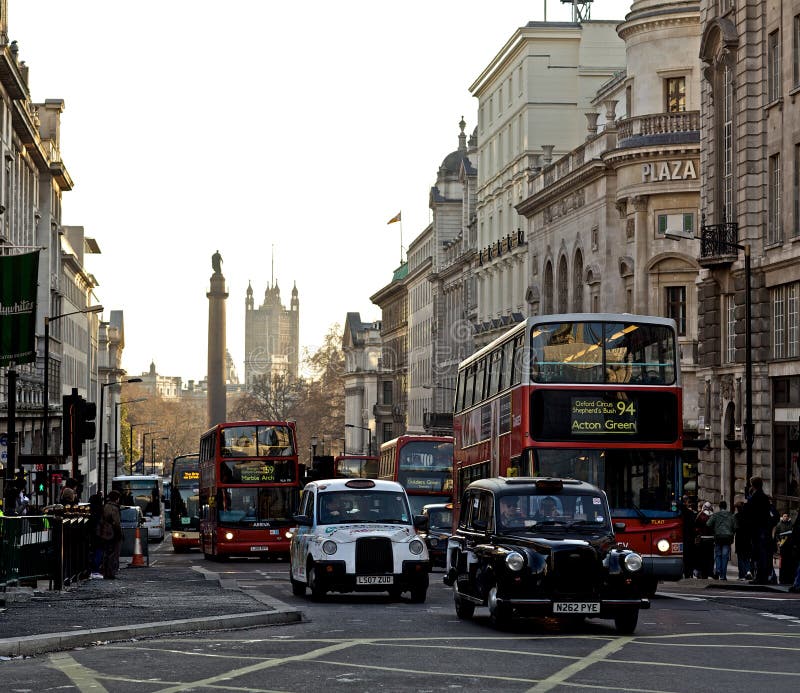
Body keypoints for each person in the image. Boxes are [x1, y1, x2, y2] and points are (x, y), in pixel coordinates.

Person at [743, 476, 778, 584]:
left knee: (759, 554)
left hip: (759, 529)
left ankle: (761, 577)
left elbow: (750, 513)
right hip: (763, 529)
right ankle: (762, 576)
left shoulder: (756, 497)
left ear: (753, 485)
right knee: (761, 554)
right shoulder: (763, 497)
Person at [706, 500, 737, 580]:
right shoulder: (731, 515)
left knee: (718, 555)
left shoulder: (716, 515)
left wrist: (714, 529)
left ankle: (718, 570)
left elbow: (708, 524)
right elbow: (735, 527)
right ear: (726, 507)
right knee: (725, 556)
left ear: (719, 507)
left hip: (718, 536)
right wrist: (732, 533)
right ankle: (723, 575)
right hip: (727, 537)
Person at [101, 490, 123, 579]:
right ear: (117, 499)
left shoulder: (105, 506)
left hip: (105, 532)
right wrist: (119, 534)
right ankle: (111, 572)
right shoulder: (114, 508)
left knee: (106, 552)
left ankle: (106, 571)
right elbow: (117, 522)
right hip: (113, 532)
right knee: (113, 553)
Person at [734, 500, 753, 581]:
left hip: (739, 539)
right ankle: (748, 571)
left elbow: (735, 528)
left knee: (741, 558)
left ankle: (742, 575)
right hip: (748, 539)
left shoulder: (736, 516)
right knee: (747, 557)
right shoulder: (749, 516)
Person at [694, 501, 714, 579]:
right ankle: (709, 572)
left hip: (702, 538)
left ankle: (703, 573)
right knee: (710, 557)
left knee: (702, 557)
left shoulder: (700, 515)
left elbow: (696, 524)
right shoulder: (713, 515)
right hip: (711, 539)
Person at [87, 492, 105, 579]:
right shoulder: (101, 510)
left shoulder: (88, 509)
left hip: (89, 533)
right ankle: (95, 570)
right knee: (98, 551)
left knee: (91, 552)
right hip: (99, 534)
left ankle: (90, 569)